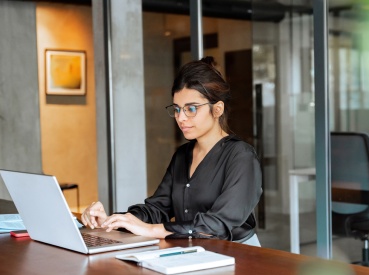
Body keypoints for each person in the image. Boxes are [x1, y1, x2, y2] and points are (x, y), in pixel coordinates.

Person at [81, 56, 262, 246]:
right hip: (194, 253)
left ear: (217, 110)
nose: (180, 118)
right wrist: (113, 220)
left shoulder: (241, 157)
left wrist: (153, 230)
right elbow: (157, 209)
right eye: (177, 109)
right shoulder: (183, 155)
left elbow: (216, 225)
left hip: (239, 256)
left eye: (191, 109)